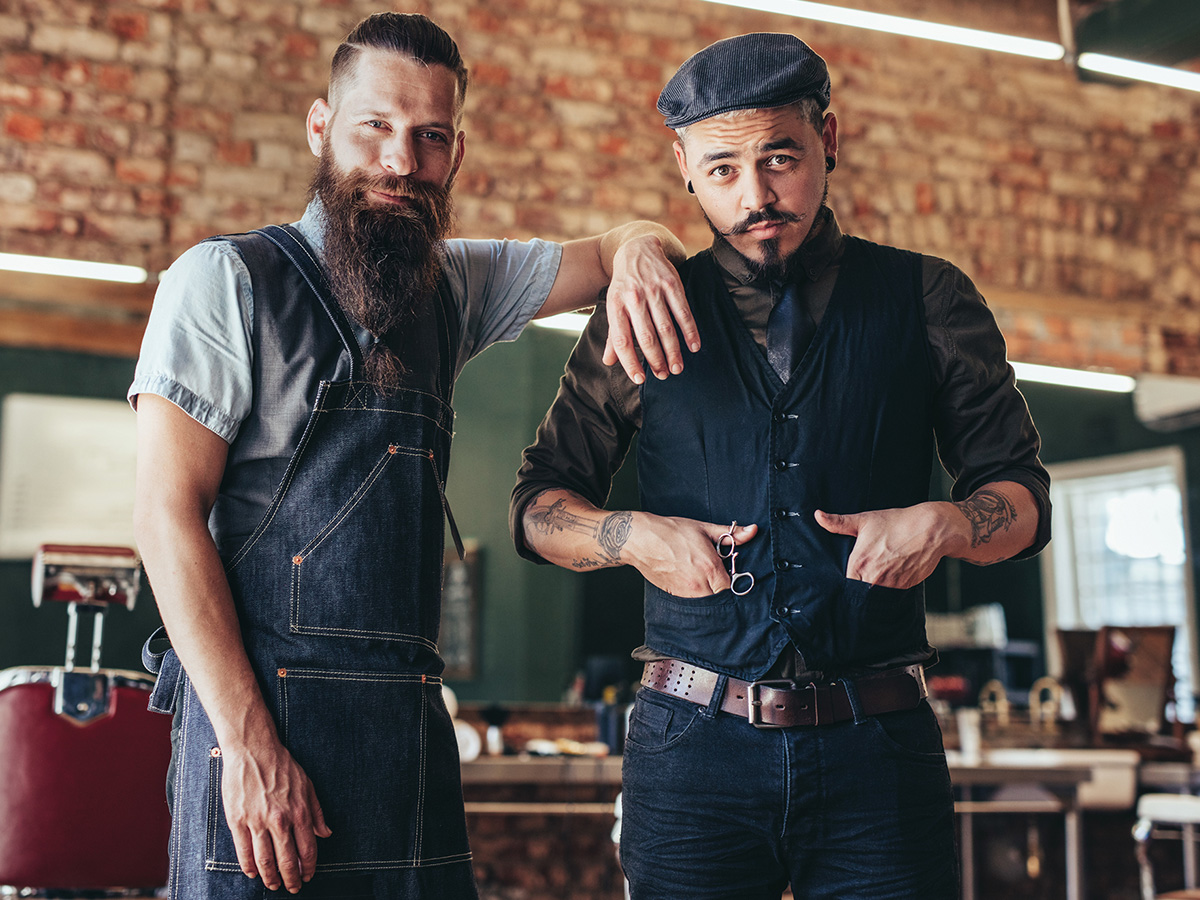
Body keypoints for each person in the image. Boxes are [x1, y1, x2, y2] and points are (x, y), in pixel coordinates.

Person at [130, 12, 696, 899]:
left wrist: (644, 253)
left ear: (456, 154)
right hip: (260, 747)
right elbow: (165, 518)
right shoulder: (223, 280)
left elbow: (611, 245)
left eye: (430, 138)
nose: (402, 162)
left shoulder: (452, 286)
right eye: (376, 129)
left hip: (407, 743)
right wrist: (247, 745)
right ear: (321, 127)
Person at [511, 32, 1052, 900]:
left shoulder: (929, 298)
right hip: (689, 757)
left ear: (827, 141)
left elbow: (1022, 497)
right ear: (683, 166)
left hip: (880, 751)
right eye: (722, 170)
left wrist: (949, 523)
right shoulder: (640, 312)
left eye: (781, 158)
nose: (756, 196)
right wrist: (631, 535)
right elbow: (537, 509)